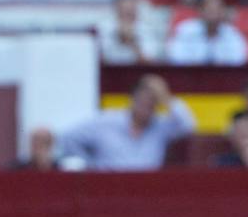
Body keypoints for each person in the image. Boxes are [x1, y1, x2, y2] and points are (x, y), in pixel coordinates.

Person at [57, 73, 195, 170]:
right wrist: (91, 166)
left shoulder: (160, 127)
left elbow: (188, 125)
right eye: (143, 100)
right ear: (132, 100)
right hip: (107, 190)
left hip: (147, 192)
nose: (146, 106)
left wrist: (165, 97)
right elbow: (68, 137)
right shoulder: (106, 121)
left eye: (152, 102)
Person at [165, 0, 248, 65]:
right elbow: (175, 58)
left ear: (224, 11)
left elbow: (239, 61)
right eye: (209, 9)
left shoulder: (233, 34)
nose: (213, 14)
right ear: (200, 10)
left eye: (217, 9)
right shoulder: (185, 30)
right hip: (189, 78)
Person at [97, 0, 161, 65]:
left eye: (130, 10)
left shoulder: (146, 29)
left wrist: (132, 42)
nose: (127, 14)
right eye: (124, 10)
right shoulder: (105, 27)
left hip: (137, 71)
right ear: (117, 9)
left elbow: (150, 61)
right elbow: (99, 58)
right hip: (109, 72)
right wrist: (119, 37)